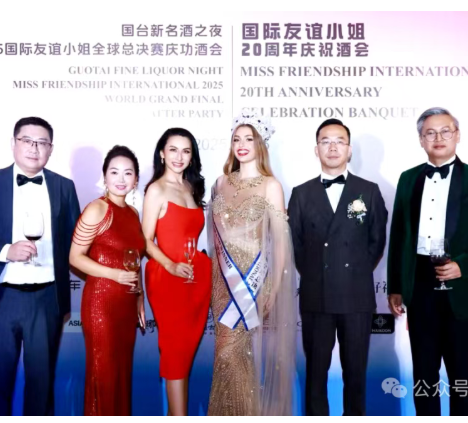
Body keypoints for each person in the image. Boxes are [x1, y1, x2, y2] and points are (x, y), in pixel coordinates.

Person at [387, 107, 468, 416]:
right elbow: (399, 235)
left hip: (462, 287)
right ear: (421, 140)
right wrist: (396, 286)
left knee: (462, 373)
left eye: (445, 131)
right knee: (424, 372)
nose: (438, 137)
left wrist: (464, 264)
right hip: (420, 284)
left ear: (457, 135)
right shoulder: (408, 179)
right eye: (430, 133)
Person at [0, 117, 80, 415]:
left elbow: (76, 242)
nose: (34, 148)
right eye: (27, 140)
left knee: (41, 388)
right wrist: (5, 251)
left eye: (42, 143)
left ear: (51, 149)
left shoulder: (64, 187)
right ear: (13, 143)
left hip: (46, 300)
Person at [288, 118, 387, 416]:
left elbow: (376, 243)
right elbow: (296, 245)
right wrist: (318, 275)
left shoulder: (369, 191)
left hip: (356, 297)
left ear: (349, 149)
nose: (332, 147)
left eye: (339, 141)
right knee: (315, 375)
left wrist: (352, 273)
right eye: (325, 141)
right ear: (316, 149)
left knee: (355, 375)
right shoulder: (301, 193)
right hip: (316, 296)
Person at [207, 109, 297, 416]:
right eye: (237, 139)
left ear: (260, 144)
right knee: (225, 354)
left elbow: (280, 242)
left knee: (234, 352)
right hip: (221, 281)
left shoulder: (271, 185)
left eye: (249, 139)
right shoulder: (220, 183)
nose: (242, 145)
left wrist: (275, 287)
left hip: (252, 281)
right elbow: (213, 238)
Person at [69, 145, 146, 416]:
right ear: (105, 176)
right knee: (104, 375)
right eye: (114, 172)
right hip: (101, 304)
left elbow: (135, 260)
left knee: (122, 374)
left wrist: (139, 298)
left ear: (136, 179)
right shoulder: (97, 209)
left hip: (126, 306)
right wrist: (114, 274)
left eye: (128, 173)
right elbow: (75, 257)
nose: (121, 179)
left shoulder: (133, 213)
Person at [142, 128, 212, 416]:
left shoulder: (191, 187)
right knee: (174, 354)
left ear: (192, 156)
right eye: (173, 149)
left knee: (183, 356)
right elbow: (145, 240)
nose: (179, 157)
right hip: (167, 279)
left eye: (186, 151)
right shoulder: (156, 190)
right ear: (162, 153)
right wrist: (170, 264)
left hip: (195, 280)